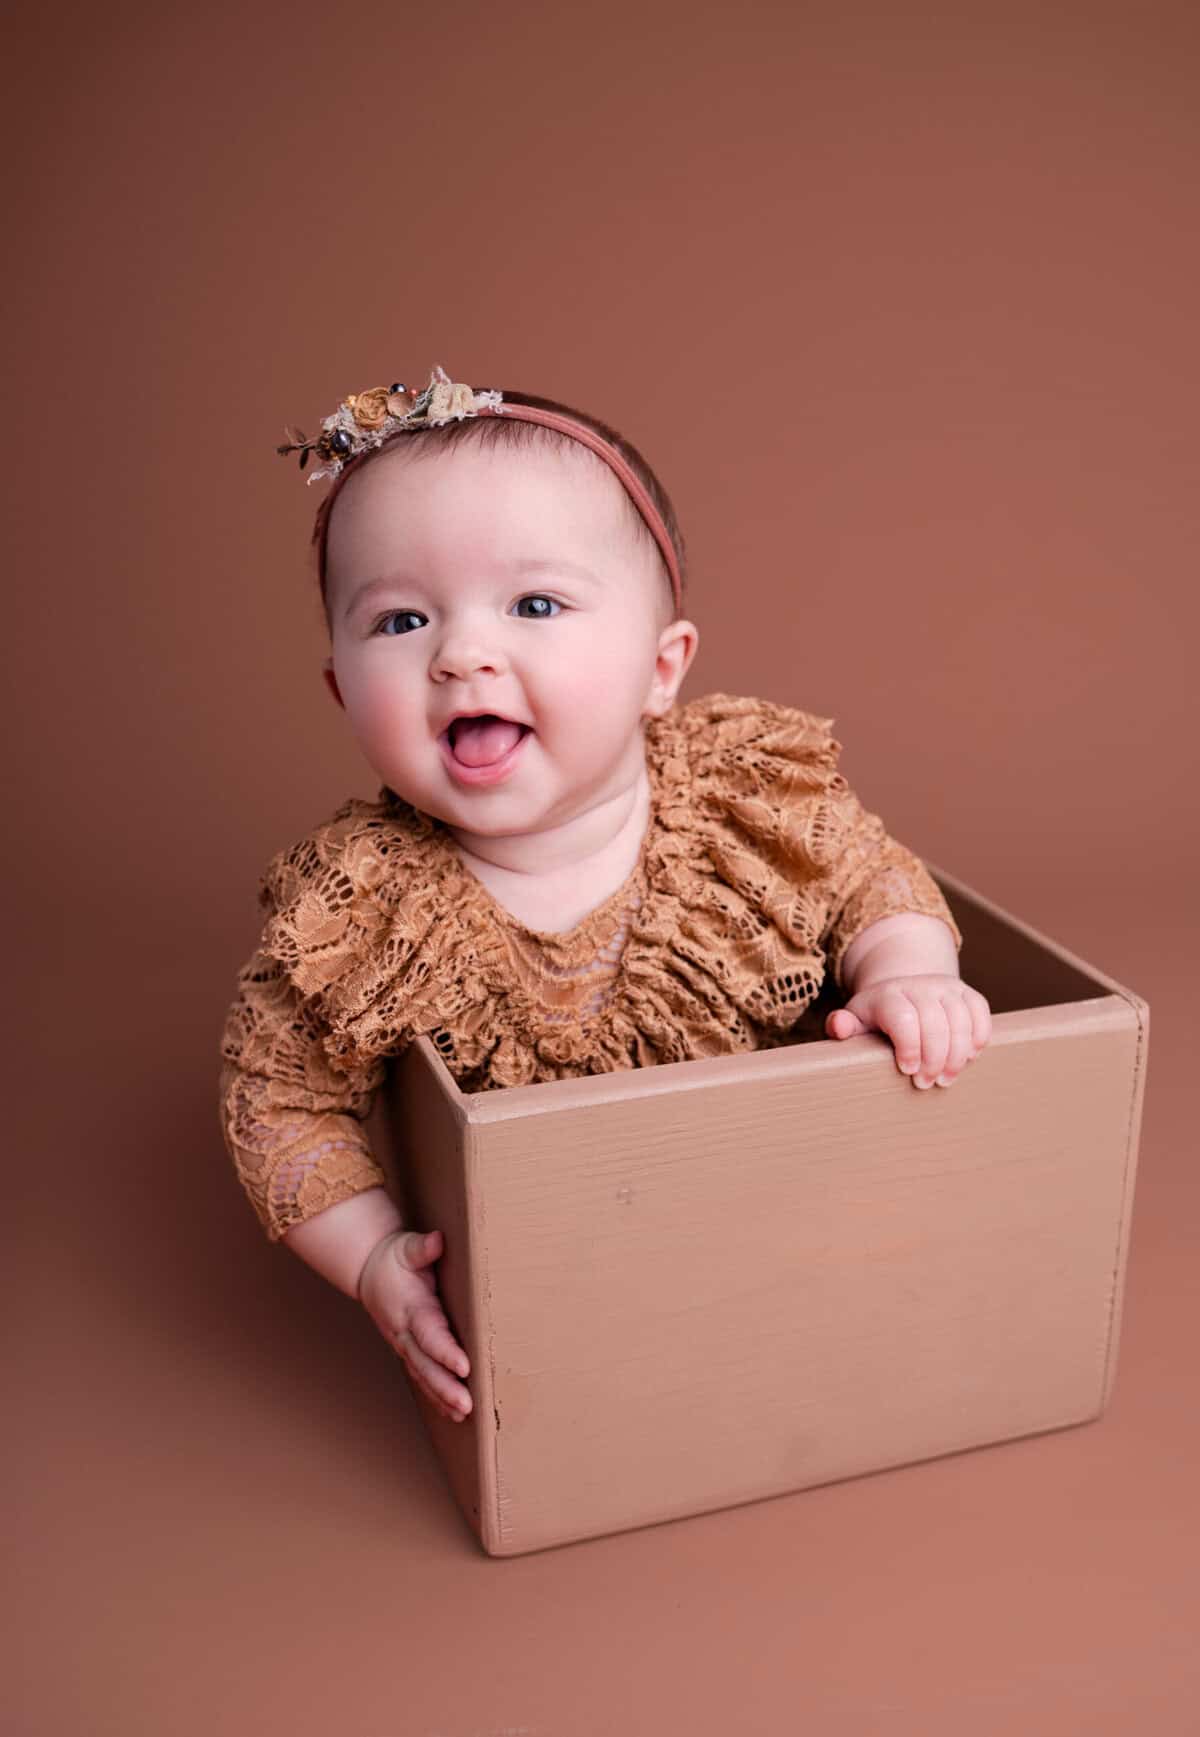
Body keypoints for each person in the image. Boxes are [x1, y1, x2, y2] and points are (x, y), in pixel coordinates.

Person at [217, 365, 992, 1428]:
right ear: (342, 688)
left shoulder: (738, 797)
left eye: (535, 604)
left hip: (791, 1218)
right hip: (560, 1293)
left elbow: (869, 873)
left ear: (659, 667)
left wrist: (910, 969)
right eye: (400, 622)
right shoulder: (359, 905)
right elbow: (274, 1095)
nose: (463, 655)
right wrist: (375, 1260)